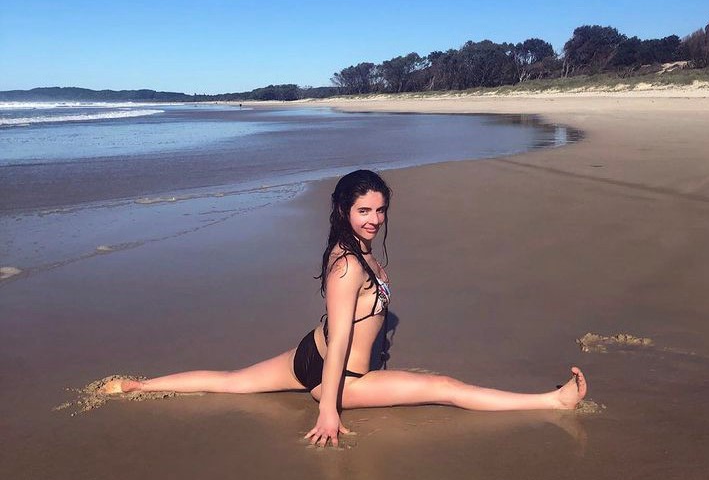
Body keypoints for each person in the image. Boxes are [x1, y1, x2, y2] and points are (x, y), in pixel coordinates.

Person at [102, 169, 587, 446]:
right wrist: (329, 411)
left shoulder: (356, 251)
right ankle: (550, 401)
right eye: (364, 211)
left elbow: (350, 328)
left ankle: (136, 386)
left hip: (306, 354)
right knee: (444, 387)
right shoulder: (347, 266)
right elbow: (340, 342)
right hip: (339, 377)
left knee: (231, 383)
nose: (375, 219)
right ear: (343, 211)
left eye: (380, 210)